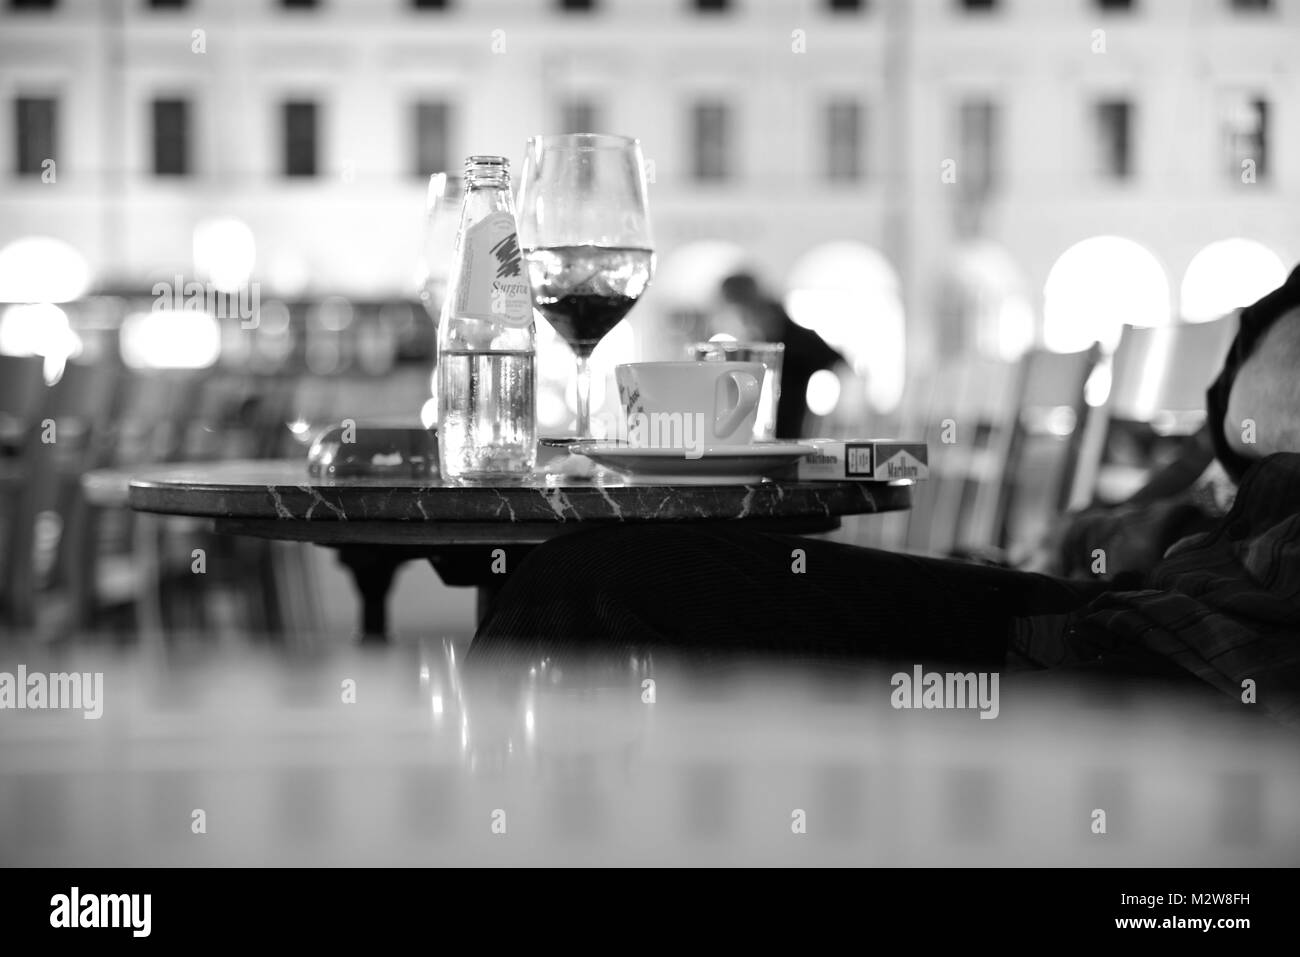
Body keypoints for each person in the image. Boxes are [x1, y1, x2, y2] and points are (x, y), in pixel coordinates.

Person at [473, 267, 1300, 728]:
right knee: (583, 576)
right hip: (1149, 606)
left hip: (1171, 660)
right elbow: (1245, 421)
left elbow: (1252, 415)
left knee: (585, 589)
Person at [717, 272, 847, 439]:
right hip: (763, 433)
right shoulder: (760, 336)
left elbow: (836, 363)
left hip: (787, 432)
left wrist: (822, 419)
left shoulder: (793, 339)